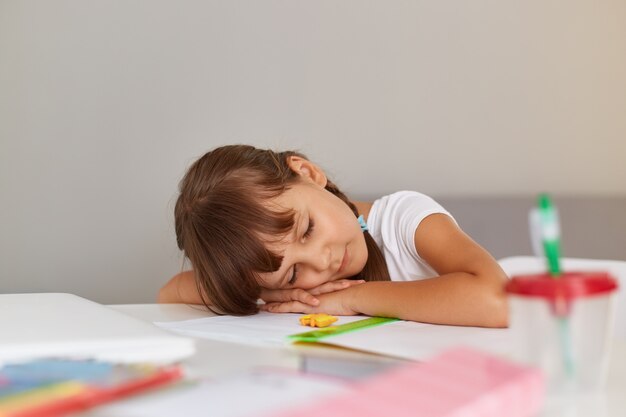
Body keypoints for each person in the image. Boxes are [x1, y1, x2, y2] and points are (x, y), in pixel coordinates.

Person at [159, 144, 509, 327]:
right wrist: (270, 287)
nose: (321, 261)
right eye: (294, 271)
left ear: (308, 173)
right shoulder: (292, 288)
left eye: (307, 229)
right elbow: (170, 293)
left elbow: (498, 300)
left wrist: (353, 299)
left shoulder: (404, 219)